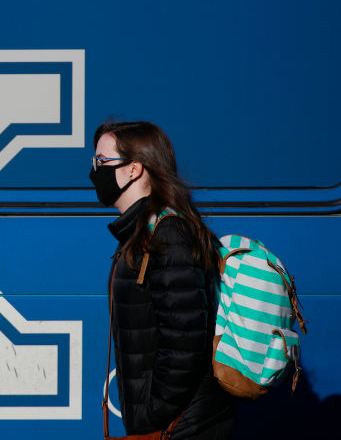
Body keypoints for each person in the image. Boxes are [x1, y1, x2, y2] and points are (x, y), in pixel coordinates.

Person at [91, 121, 234, 439]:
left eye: (102, 161)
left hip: (183, 424)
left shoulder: (166, 234)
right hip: (173, 422)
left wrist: (155, 412)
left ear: (134, 170)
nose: (94, 171)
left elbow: (185, 341)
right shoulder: (143, 232)